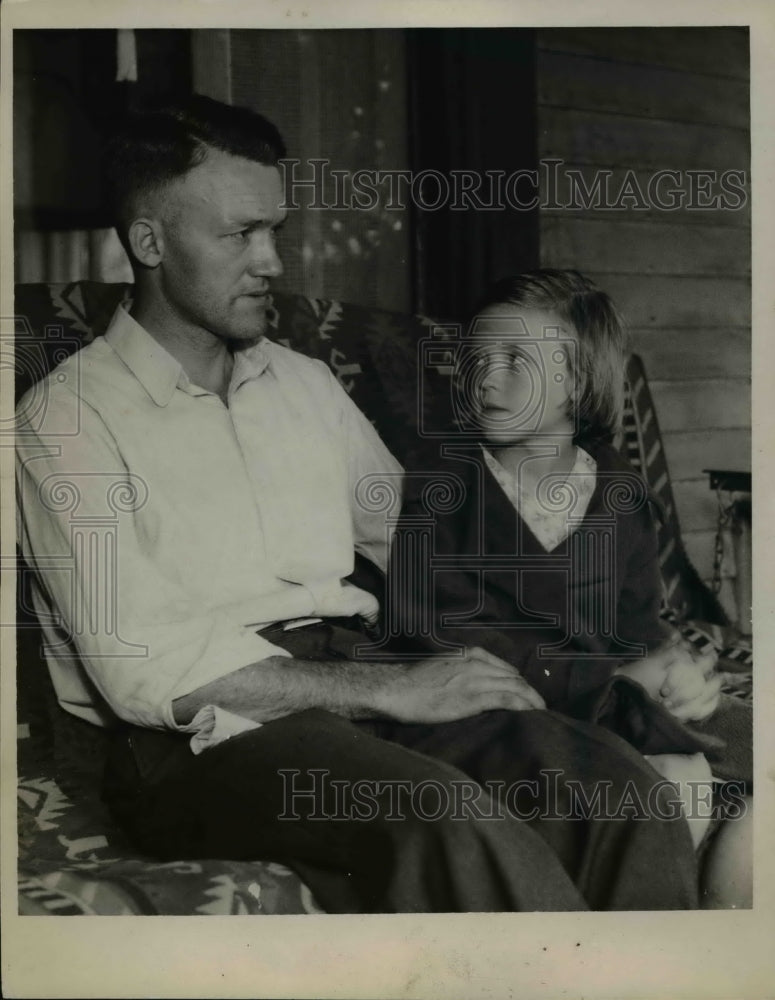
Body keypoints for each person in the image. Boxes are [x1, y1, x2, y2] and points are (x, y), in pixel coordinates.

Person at [16, 95, 700, 914]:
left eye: (276, 229)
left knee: (619, 797)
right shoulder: (66, 419)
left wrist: (601, 666)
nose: (272, 261)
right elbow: (143, 673)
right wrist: (384, 691)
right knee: (444, 820)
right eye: (240, 234)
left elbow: (421, 546)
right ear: (149, 242)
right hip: (201, 739)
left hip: (366, 676)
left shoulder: (300, 382)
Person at [386, 270, 751, 895]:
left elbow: (637, 626)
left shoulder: (620, 494)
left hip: (612, 700)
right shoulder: (438, 496)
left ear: (576, 382)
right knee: (675, 783)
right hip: (500, 714)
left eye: (516, 361)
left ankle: (721, 931)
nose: (488, 378)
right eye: (477, 359)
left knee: (749, 759)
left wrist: (673, 672)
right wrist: (611, 684)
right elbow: (446, 645)